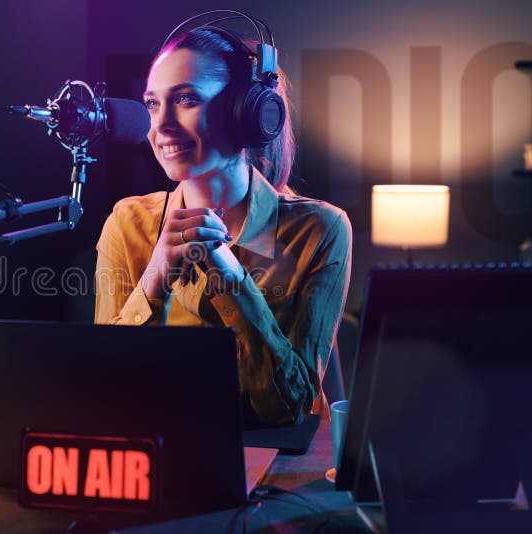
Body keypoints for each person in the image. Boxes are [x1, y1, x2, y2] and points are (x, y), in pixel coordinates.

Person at [94, 24, 352, 426]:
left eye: (184, 99)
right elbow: (105, 391)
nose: (160, 126)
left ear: (247, 113)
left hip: (270, 468)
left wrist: (231, 279)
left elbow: (289, 407)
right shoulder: (127, 222)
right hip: (158, 454)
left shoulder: (322, 229)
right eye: (151, 104)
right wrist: (156, 277)